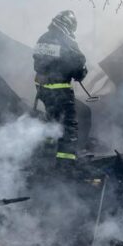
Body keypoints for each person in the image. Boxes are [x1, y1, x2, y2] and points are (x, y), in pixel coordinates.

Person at [33, 10, 88, 167]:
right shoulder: (67, 41)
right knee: (68, 126)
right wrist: (81, 72)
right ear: (69, 25)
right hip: (61, 92)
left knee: (52, 123)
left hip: (43, 91)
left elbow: (37, 64)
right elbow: (78, 68)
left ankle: (46, 159)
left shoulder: (42, 38)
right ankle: (65, 165)